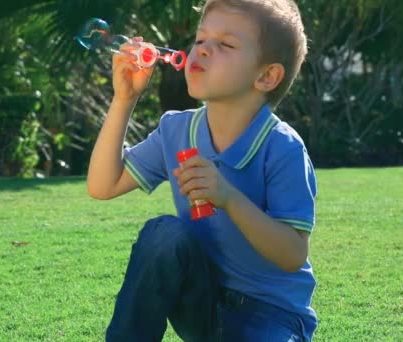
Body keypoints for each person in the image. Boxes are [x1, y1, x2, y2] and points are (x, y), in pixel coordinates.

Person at [87, 0, 317, 340]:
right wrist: (124, 100)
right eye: (200, 40)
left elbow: (293, 255)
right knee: (164, 234)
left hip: (272, 317)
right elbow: (103, 186)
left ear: (266, 76)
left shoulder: (282, 147)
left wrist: (228, 198)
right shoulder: (176, 132)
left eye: (225, 44)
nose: (203, 51)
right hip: (203, 304)